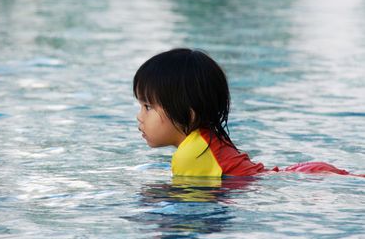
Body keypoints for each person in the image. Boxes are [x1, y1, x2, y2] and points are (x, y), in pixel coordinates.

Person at [134, 48, 357, 177]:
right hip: (305, 173)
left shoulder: (191, 155)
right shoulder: (205, 141)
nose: (139, 116)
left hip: (309, 179)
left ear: (189, 114)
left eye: (148, 106)